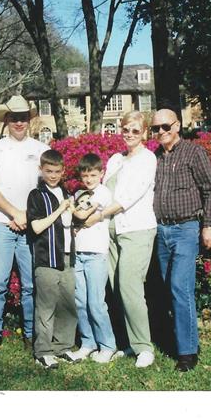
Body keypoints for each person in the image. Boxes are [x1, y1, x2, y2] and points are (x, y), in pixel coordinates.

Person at [82, 110, 157, 368]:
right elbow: (104, 192)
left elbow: (128, 199)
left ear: (145, 133)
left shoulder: (148, 159)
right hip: (112, 231)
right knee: (115, 289)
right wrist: (86, 210)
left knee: (129, 287)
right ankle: (127, 343)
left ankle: (145, 347)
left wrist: (95, 216)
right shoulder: (115, 159)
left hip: (137, 230)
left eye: (136, 130)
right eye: (126, 129)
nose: (130, 134)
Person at [0, 94, 48, 359]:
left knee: (31, 286)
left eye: (23, 117)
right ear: (6, 120)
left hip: (30, 227)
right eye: (14, 117)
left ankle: (31, 334)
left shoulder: (40, 149)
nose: (19, 122)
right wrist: (14, 213)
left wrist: (28, 216)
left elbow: (45, 189)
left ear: (29, 119)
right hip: (0, 225)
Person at [151, 108, 211, 371]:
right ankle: (178, 340)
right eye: (155, 128)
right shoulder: (155, 157)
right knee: (168, 289)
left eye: (165, 127)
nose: (160, 132)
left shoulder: (194, 152)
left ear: (177, 126)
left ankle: (188, 353)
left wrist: (209, 226)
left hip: (186, 229)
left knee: (181, 288)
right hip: (161, 231)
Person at [26, 149, 80, 368]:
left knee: (67, 304)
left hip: (67, 256)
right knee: (46, 307)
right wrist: (60, 210)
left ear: (63, 171)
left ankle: (63, 347)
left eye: (57, 171)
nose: (53, 175)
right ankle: (43, 351)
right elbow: (36, 227)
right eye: (48, 171)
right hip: (46, 257)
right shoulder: (36, 195)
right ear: (41, 170)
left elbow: (69, 224)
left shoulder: (67, 193)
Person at [72, 152, 118, 363]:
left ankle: (107, 345)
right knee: (80, 302)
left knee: (96, 304)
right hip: (79, 254)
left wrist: (70, 207)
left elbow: (81, 215)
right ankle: (88, 343)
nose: (88, 179)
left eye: (92, 175)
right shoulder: (80, 193)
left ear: (101, 173)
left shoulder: (102, 193)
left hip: (96, 255)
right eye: (85, 176)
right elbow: (76, 221)